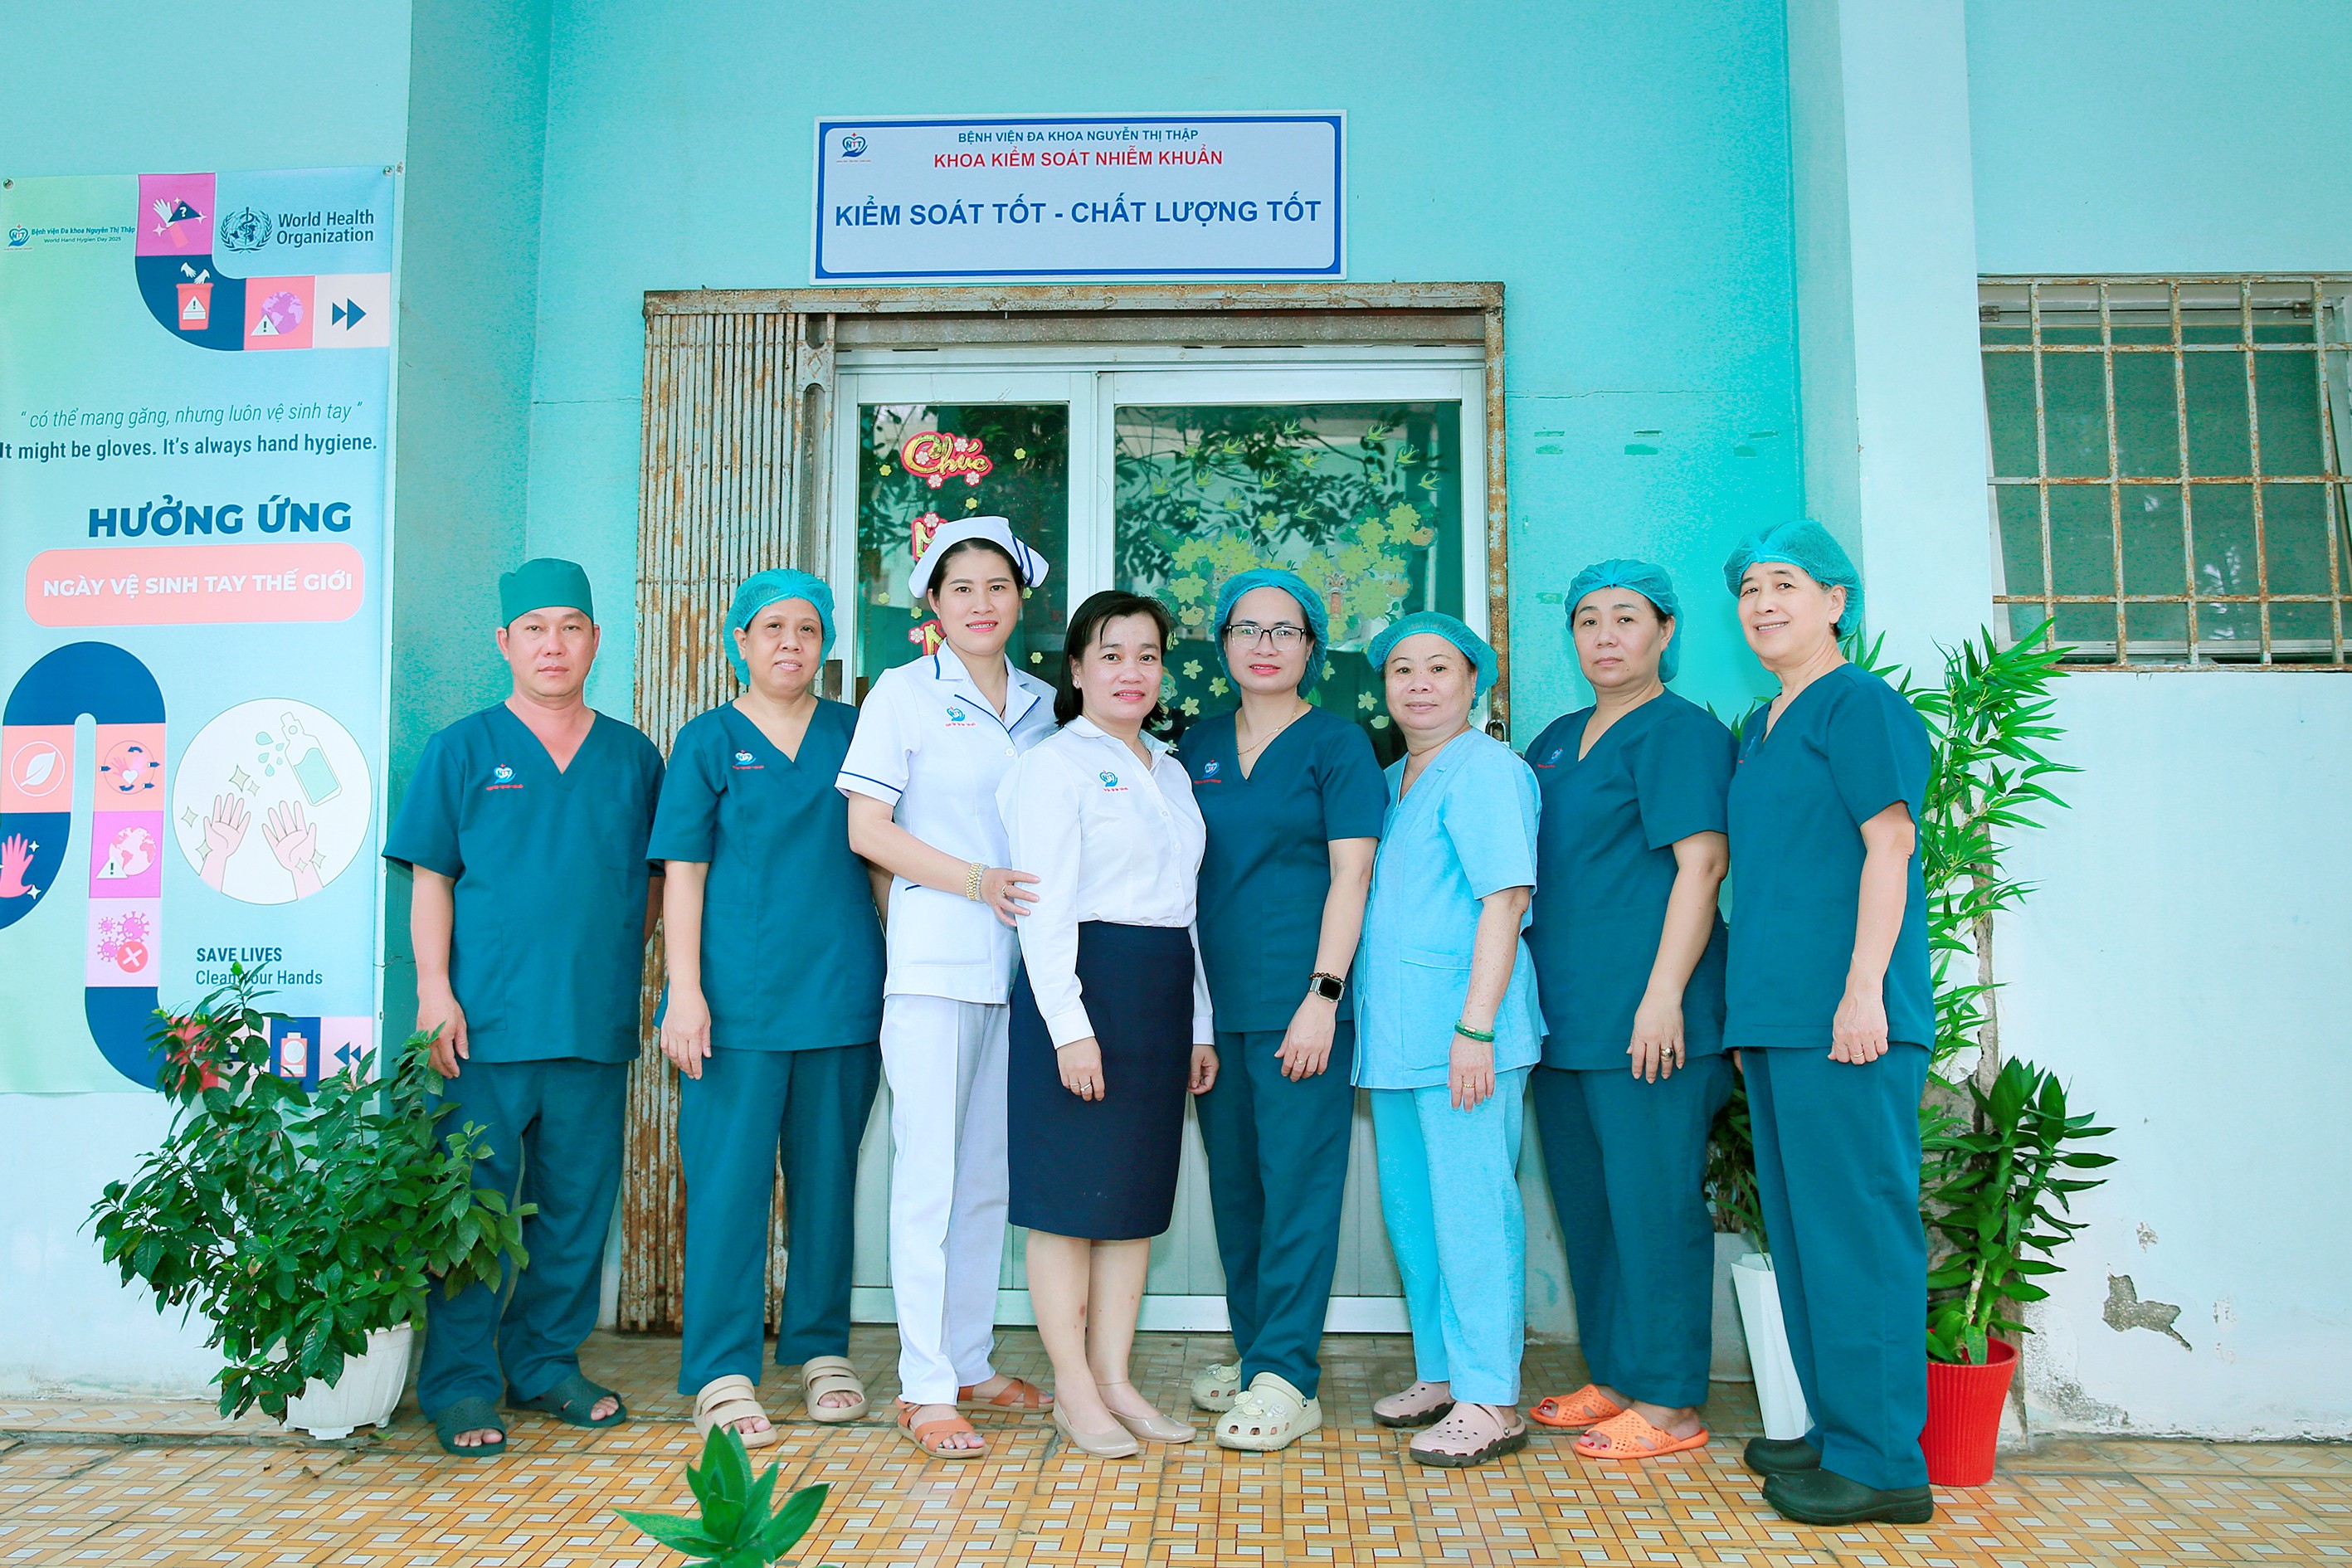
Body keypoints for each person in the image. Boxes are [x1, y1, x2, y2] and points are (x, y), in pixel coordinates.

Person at [382, 558, 663, 1458]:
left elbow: (655, 882)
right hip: (485, 1027)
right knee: (472, 1208)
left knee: (576, 1210)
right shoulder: (462, 749)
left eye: (571, 627)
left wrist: (611, 959)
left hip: (591, 1023)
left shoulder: (633, 758)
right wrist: (434, 990)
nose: (554, 644)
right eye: (535, 628)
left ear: (595, 641)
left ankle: (544, 1364)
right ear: (505, 642)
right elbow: (434, 878)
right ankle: (461, 1382)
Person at [1721, 520, 1936, 1527]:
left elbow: (1889, 846)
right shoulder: (1763, 725)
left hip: (1848, 1016)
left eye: (1786, 584)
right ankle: (1836, 1428)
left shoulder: (1860, 705)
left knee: (1858, 1230)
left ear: (1835, 600)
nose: (1764, 604)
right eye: (1750, 589)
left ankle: (1885, 1463)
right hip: (1778, 1018)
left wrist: (1863, 991)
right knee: (1806, 1235)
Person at [839, 517, 1058, 1459]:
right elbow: (867, 830)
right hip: (935, 963)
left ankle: (969, 1360)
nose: (981, 603)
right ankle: (924, 1386)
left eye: (997, 586)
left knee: (986, 1182)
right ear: (932, 602)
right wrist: (975, 882)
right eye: (961, 587)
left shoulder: (1046, 702)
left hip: (1027, 971)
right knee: (928, 1177)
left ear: (1020, 598)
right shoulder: (902, 693)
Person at [652, 569, 886, 1445]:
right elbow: (684, 871)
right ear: (740, 642)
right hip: (734, 1007)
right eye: (773, 627)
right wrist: (683, 990)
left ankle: (822, 1351)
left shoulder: (856, 733)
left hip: (842, 995)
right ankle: (721, 1369)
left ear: (826, 643)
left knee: (826, 1187)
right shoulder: (707, 741)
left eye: (808, 628)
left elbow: (881, 858)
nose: (791, 642)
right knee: (728, 1187)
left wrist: (904, 972)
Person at [1520, 561, 1735, 1463]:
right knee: (1590, 1205)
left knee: (1653, 1205)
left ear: (1665, 631)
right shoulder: (1555, 740)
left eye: (1626, 618)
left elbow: (1703, 865)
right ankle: (1614, 1376)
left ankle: (1671, 1400)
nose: (1605, 636)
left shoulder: (1682, 734)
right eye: (1587, 620)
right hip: (1565, 1016)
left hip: (1650, 1018)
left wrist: (1662, 997)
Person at [999, 590, 1217, 1459]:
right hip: (1082, 986)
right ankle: (1074, 1390)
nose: (1132, 671)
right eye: (1111, 654)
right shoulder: (1051, 767)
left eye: (1147, 655)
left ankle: (1115, 1379)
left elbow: (1184, 909)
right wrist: (1069, 1026)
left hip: (1160, 994)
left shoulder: (1170, 769)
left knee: (1132, 1201)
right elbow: (1042, 908)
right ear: (1078, 669)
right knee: (1065, 1203)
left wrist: (1199, 1022)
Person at [1177, 569, 1384, 1452]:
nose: (1264, 646)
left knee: (1298, 1188)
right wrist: (1190, 1014)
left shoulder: (1338, 745)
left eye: (1284, 631)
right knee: (1237, 1191)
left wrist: (1322, 997)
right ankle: (1258, 1350)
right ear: (1223, 643)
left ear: (1311, 648)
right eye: (1247, 629)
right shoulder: (1195, 743)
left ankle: (1289, 1379)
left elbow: (1353, 875)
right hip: (1213, 1007)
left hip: (1302, 1004)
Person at [1354, 611, 1541, 1468]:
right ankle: (1443, 1373)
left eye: (1439, 667)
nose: (1419, 683)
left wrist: (1475, 1026)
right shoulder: (1391, 779)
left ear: (1474, 682)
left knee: (1473, 1214)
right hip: (1397, 1035)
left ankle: (1491, 1397)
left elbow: (1505, 898)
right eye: (1402, 669)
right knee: (1415, 1215)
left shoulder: (1488, 770)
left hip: (1465, 1034)